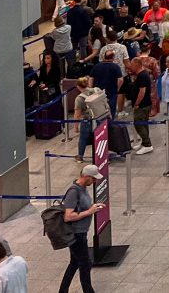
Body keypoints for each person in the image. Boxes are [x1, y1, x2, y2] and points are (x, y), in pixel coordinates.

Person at [59, 165, 106, 293]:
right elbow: (68, 216)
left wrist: (93, 206)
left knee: (74, 263)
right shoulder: (74, 192)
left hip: (81, 232)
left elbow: (82, 207)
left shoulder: (83, 188)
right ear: (86, 177)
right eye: (93, 179)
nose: (95, 181)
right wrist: (90, 211)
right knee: (85, 264)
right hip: (76, 234)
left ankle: (63, 290)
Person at [72, 77, 109, 163]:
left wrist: (76, 126)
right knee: (101, 138)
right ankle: (103, 157)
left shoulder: (79, 98)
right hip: (101, 118)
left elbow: (77, 113)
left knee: (83, 138)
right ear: (88, 84)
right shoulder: (97, 90)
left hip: (88, 121)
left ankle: (80, 156)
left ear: (78, 86)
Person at [123, 56, 154, 154]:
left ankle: (148, 145)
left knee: (139, 124)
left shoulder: (142, 76)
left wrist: (137, 103)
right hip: (144, 104)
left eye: (132, 65)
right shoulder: (141, 75)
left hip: (142, 105)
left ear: (137, 65)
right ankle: (144, 143)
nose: (130, 67)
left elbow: (142, 91)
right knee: (143, 124)